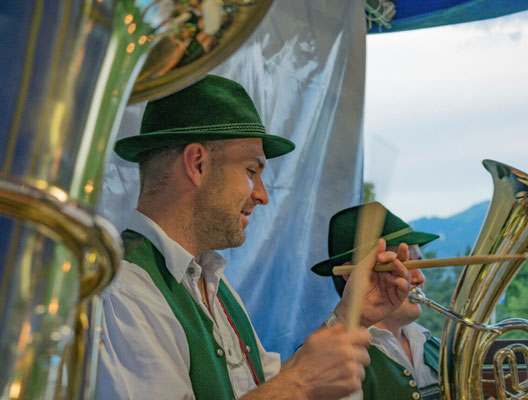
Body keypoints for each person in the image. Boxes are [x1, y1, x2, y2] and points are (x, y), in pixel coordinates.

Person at [96, 75, 411, 399]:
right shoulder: (123, 289)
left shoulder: (211, 280)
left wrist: (352, 314)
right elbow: (287, 387)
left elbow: (263, 388)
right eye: (251, 171)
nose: (262, 195)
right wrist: (299, 385)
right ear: (198, 164)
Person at [312, 202, 441, 400]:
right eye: (404, 264)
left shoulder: (439, 349)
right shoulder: (327, 363)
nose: (419, 278)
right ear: (353, 274)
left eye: (419, 262)